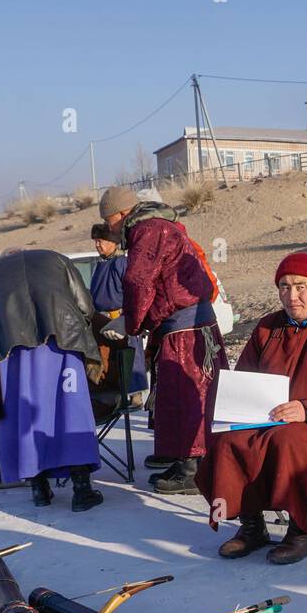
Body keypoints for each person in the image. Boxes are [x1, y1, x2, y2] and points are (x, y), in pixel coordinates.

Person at [196, 253, 307, 565]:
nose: (292, 295)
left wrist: (306, 410)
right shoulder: (267, 327)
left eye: (301, 287)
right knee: (227, 442)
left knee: (288, 443)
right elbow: (245, 376)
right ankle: (251, 525)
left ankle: (303, 530)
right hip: (263, 416)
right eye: (284, 287)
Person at [99, 186, 227, 494]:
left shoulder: (147, 230)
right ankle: (185, 459)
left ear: (120, 214)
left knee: (186, 394)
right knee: (179, 394)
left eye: (108, 220)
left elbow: (139, 279)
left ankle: (193, 469)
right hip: (190, 322)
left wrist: (131, 322)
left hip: (184, 326)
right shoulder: (160, 226)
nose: (109, 228)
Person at [0, 249, 104, 511]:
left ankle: (39, 489)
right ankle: (81, 490)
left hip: (13, 351)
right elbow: (85, 307)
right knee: (71, 411)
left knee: (24, 414)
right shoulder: (57, 259)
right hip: (62, 341)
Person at [88, 222, 149, 417]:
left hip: (121, 318)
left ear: (113, 242)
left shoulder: (122, 263)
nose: (98, 245)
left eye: (102, 241)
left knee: (132, 357)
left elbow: (133, 291)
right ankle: (116, 395)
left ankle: (136, 395)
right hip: (102, 319)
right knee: (110, 360)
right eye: (96, 241)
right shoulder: (100, 265)